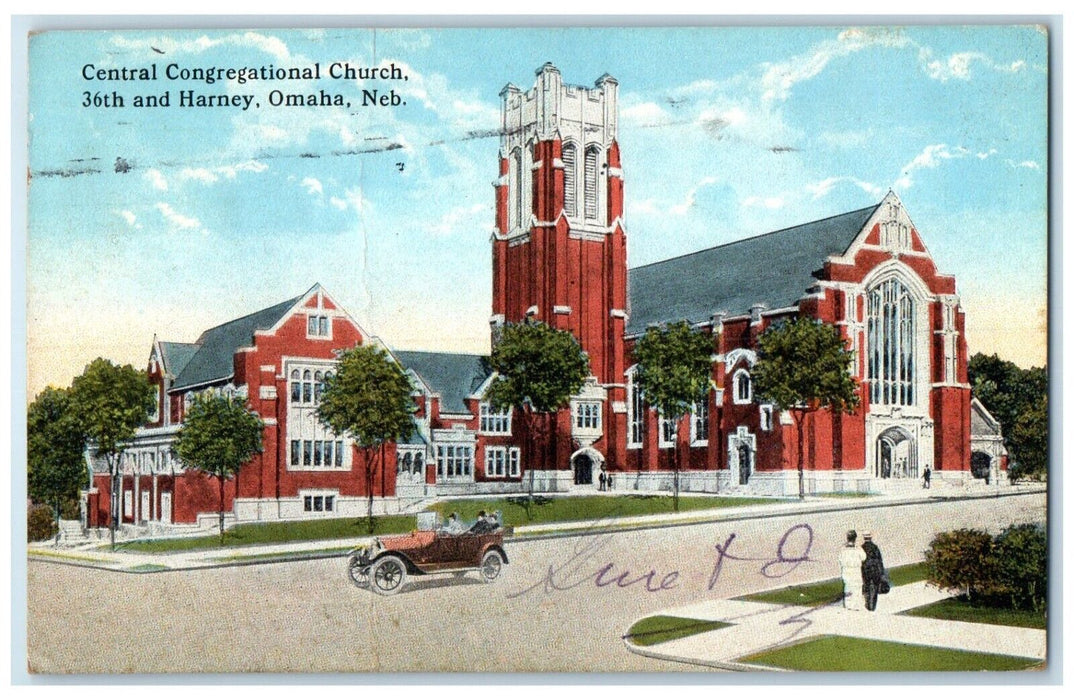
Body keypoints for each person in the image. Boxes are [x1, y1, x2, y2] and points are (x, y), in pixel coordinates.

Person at [839, 529, 866, 611]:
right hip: (855, 571)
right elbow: (864, 557)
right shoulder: (858, 549)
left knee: (848, 587)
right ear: (855, 538)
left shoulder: (843, 549)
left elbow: (840, 559)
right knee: (857, 588)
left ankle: (848, 605)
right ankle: (856, 605)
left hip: (846, 571)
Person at [861, 532, 886, 612]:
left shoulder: (861, 548)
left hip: (866, 571)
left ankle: (868, 604)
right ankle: (873, 606)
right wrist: (882, 572)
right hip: (875, 570)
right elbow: (879, 560)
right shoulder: (875, 547)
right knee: (875, 588)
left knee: (867, 586)